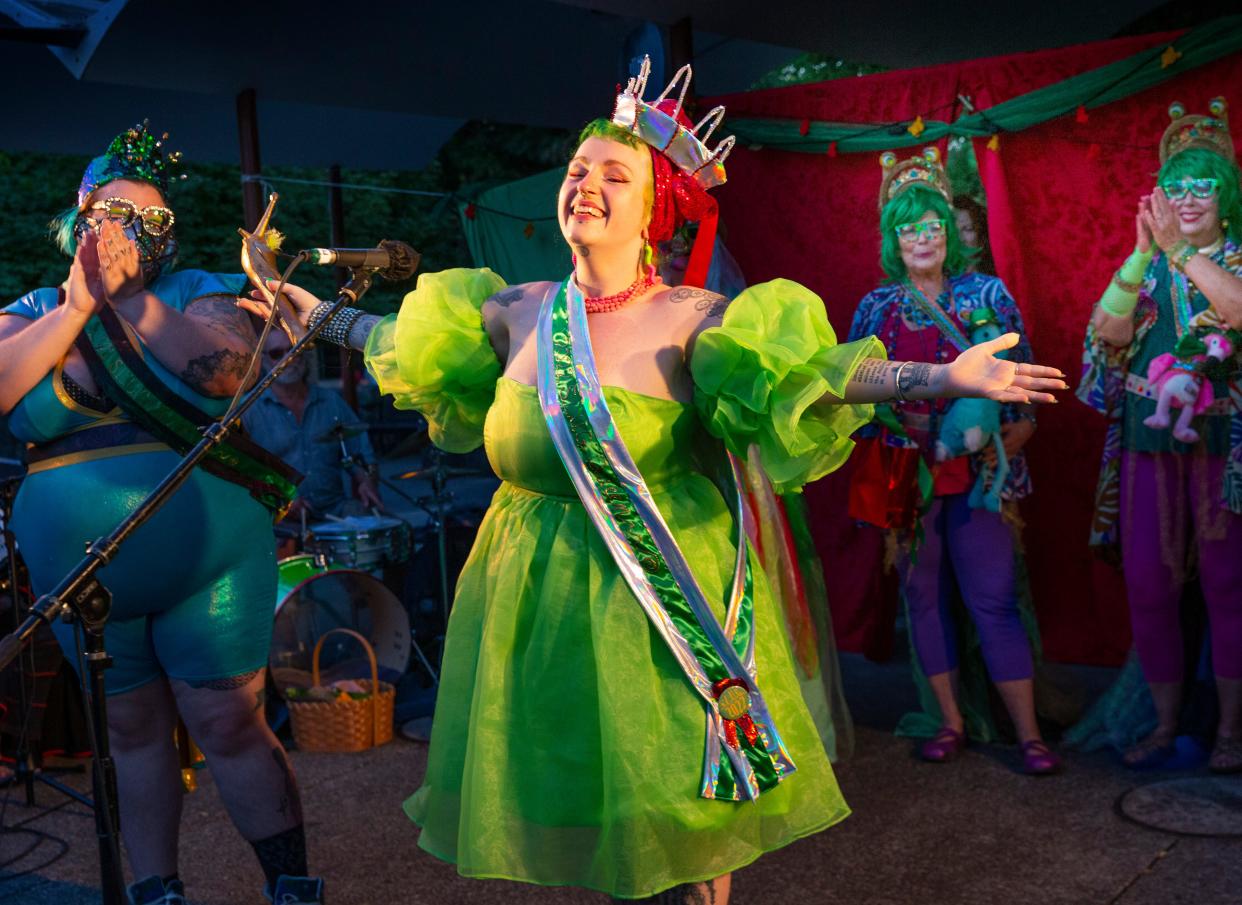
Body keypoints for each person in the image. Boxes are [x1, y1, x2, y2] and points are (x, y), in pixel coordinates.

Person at [242, 60, 1062, 903]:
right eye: (575, 171)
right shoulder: (514, 311)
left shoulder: (694, 319)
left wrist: (943, 379)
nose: (584, 185)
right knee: (592, 798)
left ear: (654, 208)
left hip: (655, 587)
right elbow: (391, 337)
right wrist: (306, 308)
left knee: (687, 808)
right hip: (535, 591)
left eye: (612, 174)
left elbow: (819, 375)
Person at [0, 124, 322, 905]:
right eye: (107, 216)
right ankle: (158, 893)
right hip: (85, 578)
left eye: (144, 221)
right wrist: (79, 305)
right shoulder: (34, 305)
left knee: (230, 721)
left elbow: (226, 369)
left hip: (207, 562)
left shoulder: (198, 289)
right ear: (77, 223)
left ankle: (292, 887)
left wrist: (130, 304)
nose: (121, 233)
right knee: (132, 734)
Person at [847, 148, 1060, 774]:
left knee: (993, 599)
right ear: (893, 237)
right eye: (909, 226)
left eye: (933, 224)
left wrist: (1005, 446)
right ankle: (950, 721)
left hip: (981, 482)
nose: (923, 237)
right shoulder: (875, 310)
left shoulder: (989, 293)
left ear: (949, 230)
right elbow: (854, 401)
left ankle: (1028, 734)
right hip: (909, 483)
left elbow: (1025, 395)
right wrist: (893, 447)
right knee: (925, 600)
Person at [1079, 97, 1242, 774]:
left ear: (1225, 193)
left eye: (1203, 184)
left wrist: (1181, 252)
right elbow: (1107, 334)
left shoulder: (1233, 256)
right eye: (1176, 187)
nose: (1188, 197)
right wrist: (1146, 252)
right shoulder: (1146, 264)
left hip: (1223, 445)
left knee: (1229, 586)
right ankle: (1166, 721)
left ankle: (1232, 731)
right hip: (1150, 447)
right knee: (1149, 585)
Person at [242, 327, 382, 526]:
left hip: (334, 512)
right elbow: (240, 472)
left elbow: (361, 454)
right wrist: (279, 498)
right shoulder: (249, 411)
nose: (288, 358)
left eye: (295, 350)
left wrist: (367, 480)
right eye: (276, 353)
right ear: (263, 359)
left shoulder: (331, 402)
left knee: (378, 527)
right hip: (278, 520)